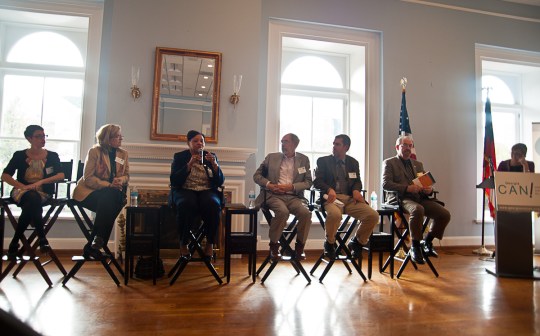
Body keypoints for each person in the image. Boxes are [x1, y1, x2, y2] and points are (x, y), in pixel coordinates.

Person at [382, 135, 451, 264]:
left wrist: (428, 189)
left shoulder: (418, 164)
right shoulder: (389, 162)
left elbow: (424, 182)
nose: (408, 148)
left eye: (410, 145)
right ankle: (415, 246)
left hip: (419, 197)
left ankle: (428, 242)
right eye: (405, 145)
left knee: (444, 214)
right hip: (401, 198)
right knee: (418, 209)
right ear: (397, 147)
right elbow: (386, 184)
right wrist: (407, 188)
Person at [2, 125, 65, 260]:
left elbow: (61, 175)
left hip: (43, 193)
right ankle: (42, 238)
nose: (43, 139)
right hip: (21, 192)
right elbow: (5, 176)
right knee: (32, 198)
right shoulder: (19, 155)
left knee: (33, 201)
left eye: (44, 136)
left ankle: (14, 242)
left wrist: (40, 182)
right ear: (29, 138)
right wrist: (21, 186)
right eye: (38, 136)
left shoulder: (52, 156)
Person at [313, 134, 379, 260]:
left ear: (346, 147)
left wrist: (356, 190)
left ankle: (357, 242)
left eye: (337, 144)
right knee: (335, 215)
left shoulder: (353, 162)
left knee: (373, 215)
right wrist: (329, 189)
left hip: (349, 200)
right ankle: (330, 243)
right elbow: (317, 181)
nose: (334, 147)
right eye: (333, 144)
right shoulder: (323, 161)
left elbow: (357, 181)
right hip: (331, 199)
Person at [73, 124, 129, 260]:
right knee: (111, 198)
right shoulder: (95, 152)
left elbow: (127, 175)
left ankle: (94, 244)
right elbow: (88, 178)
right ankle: (97, 243)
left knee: (111, 198)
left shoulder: (123, 154)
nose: (121, 138)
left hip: (111, 195)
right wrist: (109, 184)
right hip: (88, 192)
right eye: (117, 136)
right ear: (107, 138)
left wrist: (119, 180)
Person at [253, 133, 312, 261]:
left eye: (286, 142)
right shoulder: (271, 157)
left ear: (295, 144)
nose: (283, 144)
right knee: (282, 212)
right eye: (282, 142)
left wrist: (291, 187)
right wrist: (269, 185)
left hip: (293, 196)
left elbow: (308, 182)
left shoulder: (304, 159)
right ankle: (274, 246)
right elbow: (256, 176)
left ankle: (299, 247)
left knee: (306, 214)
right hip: (273, 195)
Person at [169, 130, 224, 260]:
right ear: (189, 143)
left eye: (202, 141)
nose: (199, 143)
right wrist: (189, 164)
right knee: (186, 204)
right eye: (195, 141)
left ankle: (210, 243)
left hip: (206, 190)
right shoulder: (180, 157)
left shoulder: (211, 156)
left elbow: (219, 181)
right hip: (185, 189)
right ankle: (183, 242)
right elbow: (174, 180)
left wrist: (215, 165)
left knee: (213, 204)